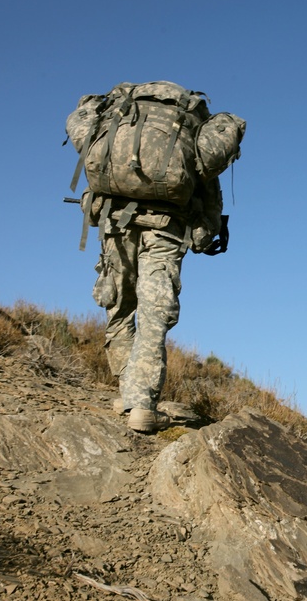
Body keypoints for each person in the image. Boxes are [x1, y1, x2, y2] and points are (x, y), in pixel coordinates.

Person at [90, 182, 225, 433]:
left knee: (118, 309)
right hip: (166, 228)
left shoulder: (124, 140)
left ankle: (129, 394)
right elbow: (209, 179)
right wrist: (208, 227)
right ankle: (141, 403)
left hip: (116, 221)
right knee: (154, 317)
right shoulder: (186, 140)